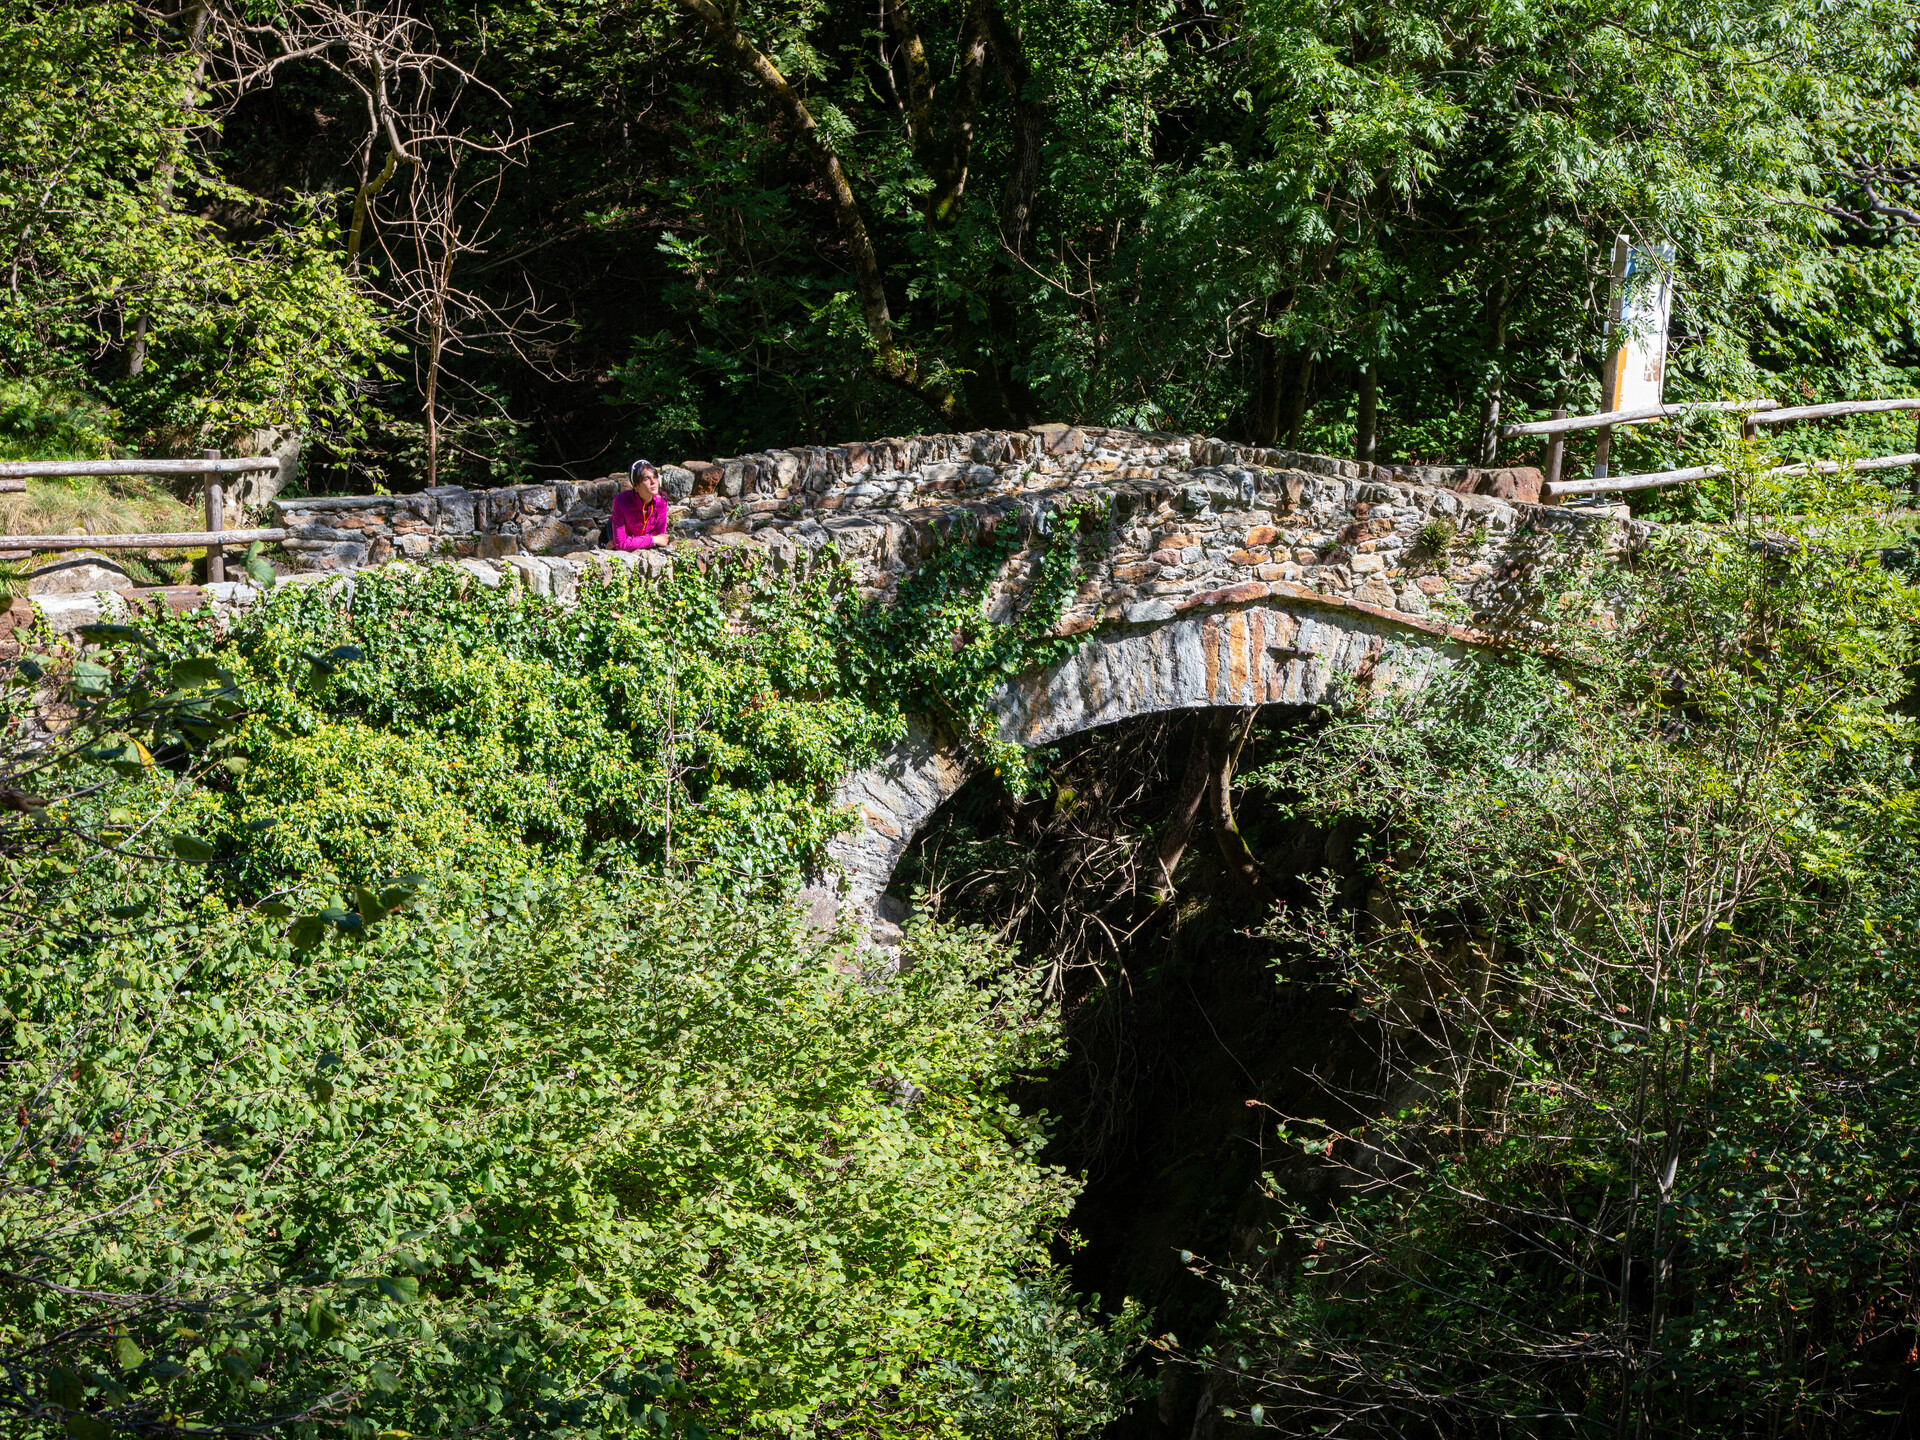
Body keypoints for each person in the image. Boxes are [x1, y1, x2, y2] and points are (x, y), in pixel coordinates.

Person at [609, 459, 670, 550]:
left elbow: (660, 537)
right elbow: (621, 544)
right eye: (646, 479)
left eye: (655, 477)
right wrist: (653, 539)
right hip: (610, 535)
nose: (653, 482)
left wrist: (630, 540)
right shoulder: (621, 501)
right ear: (635, 486)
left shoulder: (661, 502)